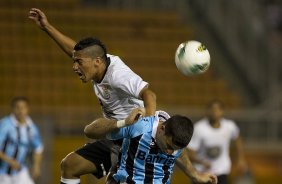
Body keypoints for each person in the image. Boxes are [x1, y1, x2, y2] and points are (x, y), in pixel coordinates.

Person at [28, 8, 157, 184]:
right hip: (115, 135)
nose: (74, 67)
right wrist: (47, 27)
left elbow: (149, 94)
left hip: (133, 140)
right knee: (70, 165)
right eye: (75, 61)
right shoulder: (98, 63)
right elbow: (75, 51)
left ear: (97, 62)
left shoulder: (118, 75)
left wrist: (148, 128)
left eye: (78, 63)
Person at [84, 109, 218, 184]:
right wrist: (123, 123)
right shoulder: (139, 127)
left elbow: (181, 154)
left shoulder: (176, 136)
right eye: (168, 146)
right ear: (162, 129)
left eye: (175, 149)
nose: (170, 152)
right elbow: (89, 131)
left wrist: (195, 175)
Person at [187, 100, 247, 184]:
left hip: (221, 171)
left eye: (217, 109)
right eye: (212, 110)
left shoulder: (229, 126)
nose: (214, 112)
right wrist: (201, 162)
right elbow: (190, 154)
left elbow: (237, 139)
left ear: (222, 111)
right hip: (202, 173)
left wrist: (241, 159)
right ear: (207, 111)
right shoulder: (199, 128)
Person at [0, 96, 43, 184]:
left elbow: (38, 148)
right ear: (13, 109)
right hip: (3, 173)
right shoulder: (5, 125)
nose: (20, 110)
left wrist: (36, 166)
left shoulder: (31, 128)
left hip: (20, 171)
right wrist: (10, 161)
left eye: (23, 107)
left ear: (28, 109)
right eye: (17, 107)